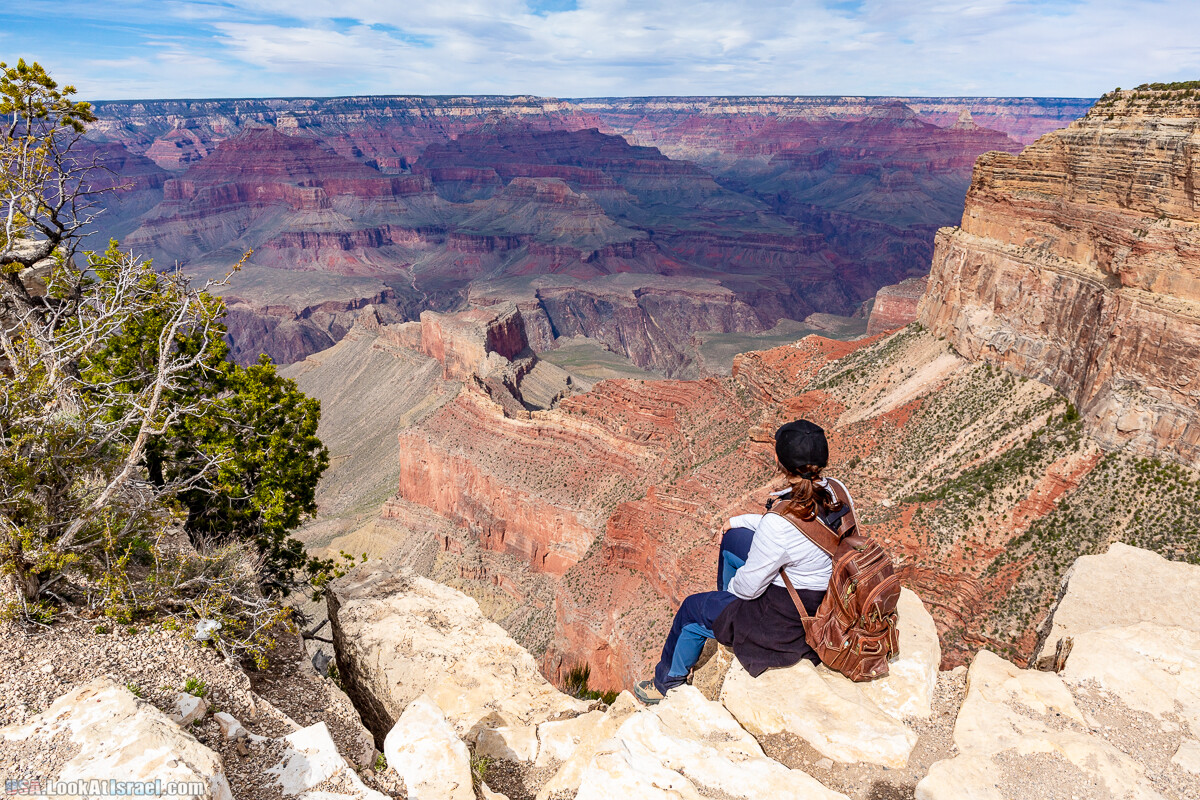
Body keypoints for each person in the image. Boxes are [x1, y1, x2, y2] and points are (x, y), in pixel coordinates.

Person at [633, 419, 856, 704]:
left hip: (789, 624)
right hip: (827, 595)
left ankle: (667, 685)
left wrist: (733, 594)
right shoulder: (837, 491)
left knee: (691, 610)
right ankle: (724, 612)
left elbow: (749, 587)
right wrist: (735, 522)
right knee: (734, 539)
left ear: (781, 463)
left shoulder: (780, 525)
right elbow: (796, 529)